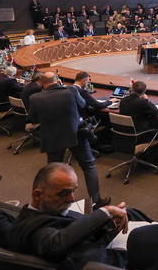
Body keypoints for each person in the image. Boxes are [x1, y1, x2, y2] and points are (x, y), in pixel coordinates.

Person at [8, 163, 129, 269]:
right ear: (38, 195)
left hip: (104, 254)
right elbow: (55, 246)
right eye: (63, 193)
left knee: (130, 213)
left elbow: (79, 231)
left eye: (73, 191)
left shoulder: (54, 210)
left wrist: (109, 222)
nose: (72, 199)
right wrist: (105, 211)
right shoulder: (31, 228)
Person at [28, 72, 107, 207]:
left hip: (52, 138)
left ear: (41, 84)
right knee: (89, 166)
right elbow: (82, 105)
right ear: (58, 81)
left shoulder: (34, 98)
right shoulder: (70, 91)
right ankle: (96, 200)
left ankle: (55, 201)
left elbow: (34, 119)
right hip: (75, 135)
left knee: (53, 171)